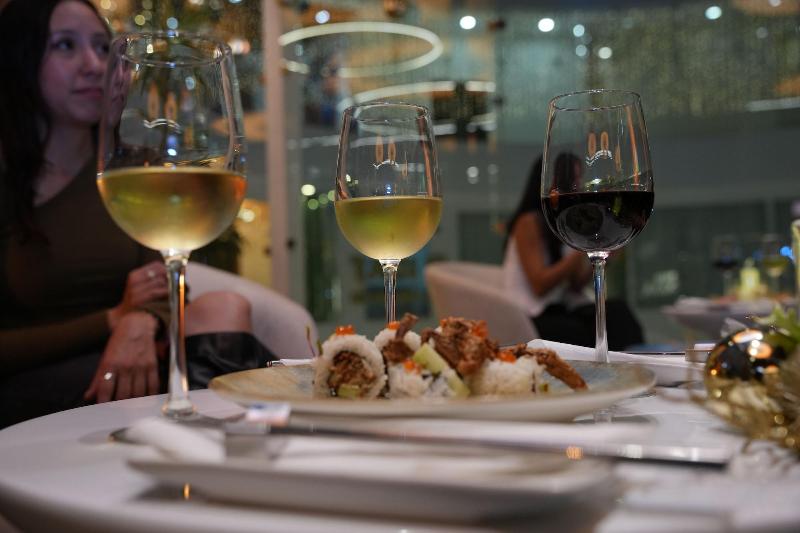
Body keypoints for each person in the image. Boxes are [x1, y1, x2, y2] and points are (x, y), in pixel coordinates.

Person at [0, 0, 275, 428]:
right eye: (66, 46)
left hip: (142, 360)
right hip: (36, 384)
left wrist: (140, 321)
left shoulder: (135, 173)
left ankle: (208, 438)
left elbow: (161, 285)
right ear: (19, 59)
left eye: (101, 47)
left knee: (224, 306)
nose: (95, 65)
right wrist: (112, 320)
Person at [503, 155, 644, 350]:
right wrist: (585, 244)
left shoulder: (562, 225)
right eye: (573, 179)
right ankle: (616, 363)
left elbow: (575, 285)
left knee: (618, 311)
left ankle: (630, 362)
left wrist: (607, 251)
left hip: (559, 310)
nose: (578, 186)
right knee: (589, 329)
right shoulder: (528, 222)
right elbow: (539, 285)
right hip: (531, 316)